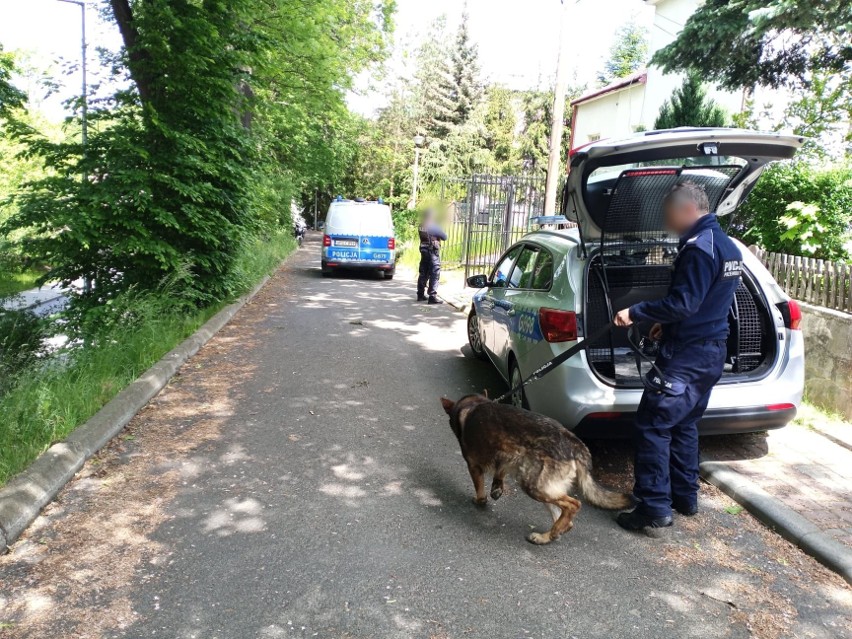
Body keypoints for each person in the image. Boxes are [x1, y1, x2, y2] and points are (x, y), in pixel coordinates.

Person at [612, 181, 743, 531]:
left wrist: (637, 311)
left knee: (653, 425)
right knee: (684, 424)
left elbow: (685, 302)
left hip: (686, 358)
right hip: (710, 352)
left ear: (687, 209)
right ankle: (685, 498)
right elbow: (708, 303)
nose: (667, 223)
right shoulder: (728, 247)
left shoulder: (699, 248)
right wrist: (665, 327)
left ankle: (653, 507)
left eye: (669, 215)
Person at [417, 208, 447, 304]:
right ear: (431, 216)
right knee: (435, 272)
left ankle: (420, 294)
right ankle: (432, 296)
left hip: (423, 250)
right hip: (432, 251)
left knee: (423, 272)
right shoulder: (433, 226)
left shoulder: (421, 225)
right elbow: (444, 237)